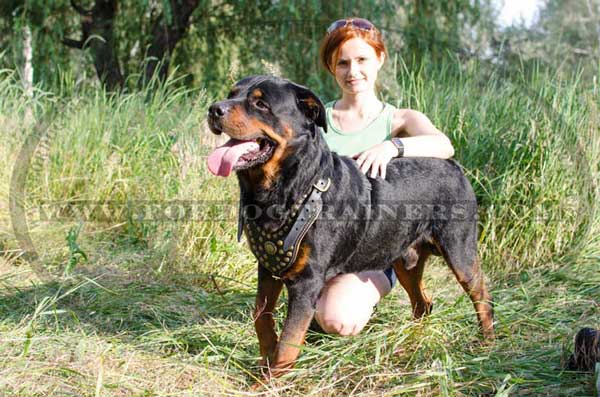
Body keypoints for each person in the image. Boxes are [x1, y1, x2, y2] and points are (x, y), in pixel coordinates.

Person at [313, 18, 455, 336]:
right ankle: (318, 298)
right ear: (331, 68)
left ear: (380, 58)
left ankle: (361, 296)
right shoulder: (316, 119)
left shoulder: (400, 119)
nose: (353, 72)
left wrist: (392, 146)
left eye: (362, 59)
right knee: (310, 308)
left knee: (337, 321)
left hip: (371, 254)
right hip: (319, 246)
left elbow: (444, 145)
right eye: (342, 63)